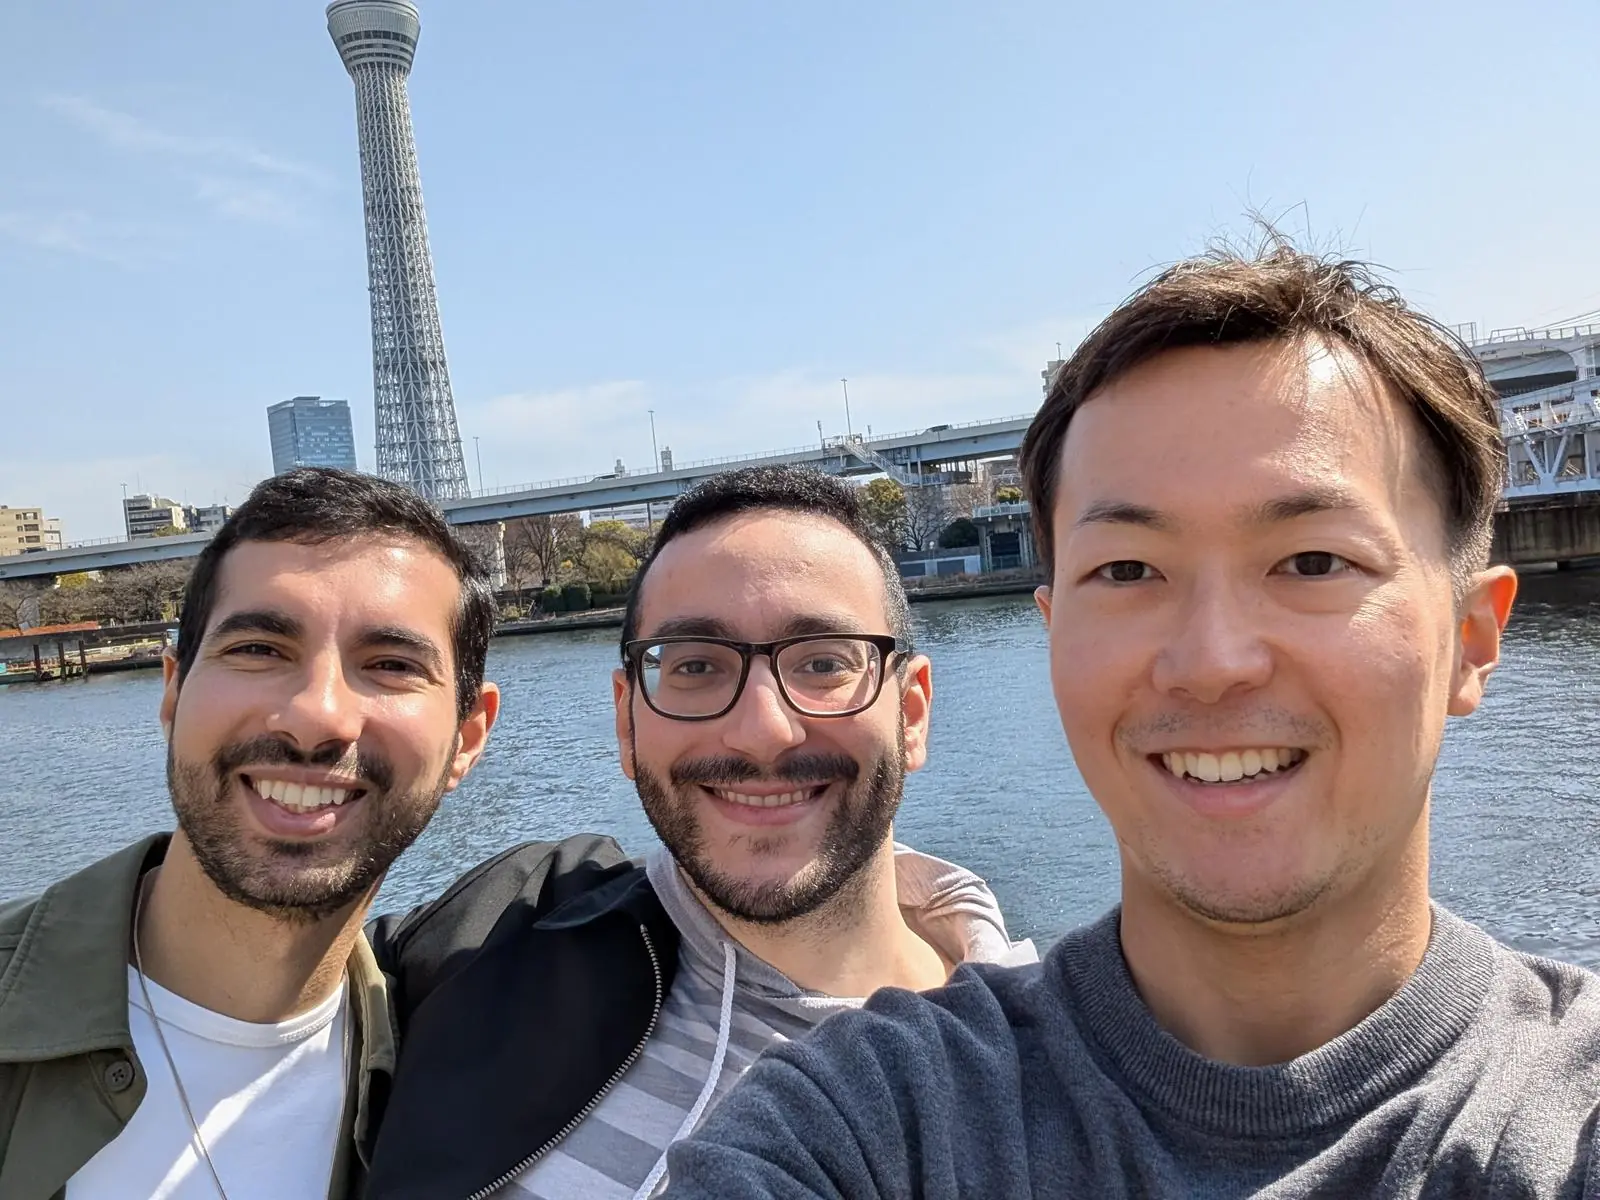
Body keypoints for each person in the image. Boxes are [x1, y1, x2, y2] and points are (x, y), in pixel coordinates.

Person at [660, 242, 1600, 1199]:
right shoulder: (863, 1125)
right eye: (1127, 572)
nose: (1210, 662)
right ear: (1054, 631)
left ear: (1474, 639)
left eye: (1313, 561)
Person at [363, 465, 1033, 1200]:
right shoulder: (484, 943)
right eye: (694, 667)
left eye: (822, 663)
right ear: (626, 721)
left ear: (910, 714)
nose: (761, 731)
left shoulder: (1046, 1092)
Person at [0, 468, 500, 1200]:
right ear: (172, 691)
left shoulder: (459, 1073)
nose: (315, 717)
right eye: (258, 650)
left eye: (390, 665)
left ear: (467, 736)